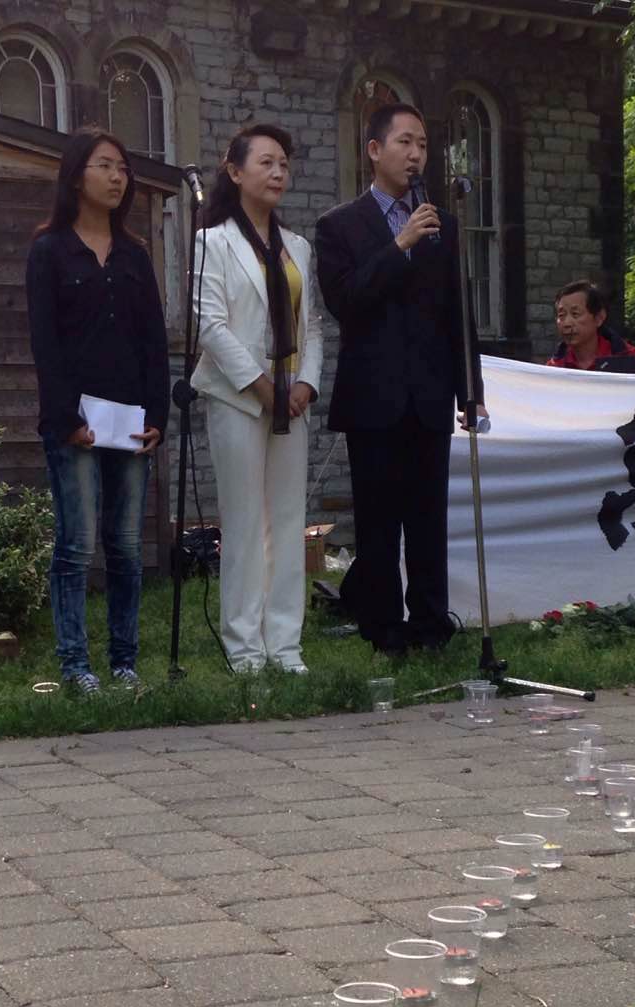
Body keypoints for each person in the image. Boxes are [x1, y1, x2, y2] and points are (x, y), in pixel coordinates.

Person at [315, 103, 487, 657]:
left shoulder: (444, 225)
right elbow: (347, 301)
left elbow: (459, 315)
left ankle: (432, 625)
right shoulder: (339, 225)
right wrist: (400, 245)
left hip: (430, 395)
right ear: (374, 150)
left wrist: (471, 392)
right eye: (404, 142)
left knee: (428, 520)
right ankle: (384, 629)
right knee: (379, 524)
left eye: (421, 146)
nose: (415, 154)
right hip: (374, 399)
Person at [26, 127, 169, 694]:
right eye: (106, 166)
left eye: (123, 168)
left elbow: (154, 343)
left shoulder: (135, 255)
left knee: (127, 545)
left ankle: (124, 661)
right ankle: (75, 665)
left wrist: (157, 413)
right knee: (76, 543)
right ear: (76, 175)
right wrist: (67, 419)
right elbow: (46, 344)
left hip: (131, 419)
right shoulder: (50, 251)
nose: (118, 177)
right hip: (76, 423)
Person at [191, 123, 323, 674]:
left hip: (291, 395)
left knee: (289, 521)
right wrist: (262, 388)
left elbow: (310, 324)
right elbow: (211, 325)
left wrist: (304, 385)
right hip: (239, 397)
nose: (277, 173)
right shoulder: (211, 242)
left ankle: (284, 644)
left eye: (283, 165)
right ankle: (244, 646)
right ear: (235, 170)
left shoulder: (297, 247)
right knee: (245, 522)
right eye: (265, 162)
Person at [547, 280, 635, 370]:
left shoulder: (628, 359)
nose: (567, 323)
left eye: (575, 314)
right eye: (561, 315)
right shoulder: (554, 367)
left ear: (599, 318)